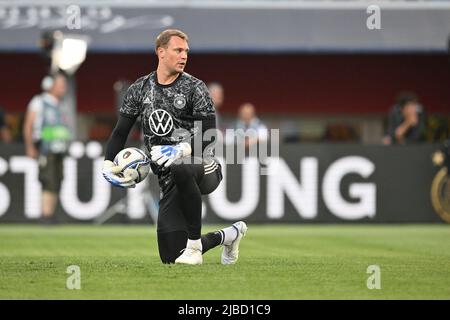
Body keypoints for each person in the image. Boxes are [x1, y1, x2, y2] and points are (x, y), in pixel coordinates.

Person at [102, 29, 247, 265]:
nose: (184, 56)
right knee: (170, 257)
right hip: (168, 180)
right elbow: (120, 132)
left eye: (186, 51)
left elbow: (210, 136)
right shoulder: (139, 89)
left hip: (203, 166)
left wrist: (182, 149)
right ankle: (229, 235)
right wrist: (108, 163)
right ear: (161, 52)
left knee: (182, 166)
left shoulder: (195, 88)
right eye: (178, 50)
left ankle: (193, 249)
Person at [23, 72, 71, 223]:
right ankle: (46, 215)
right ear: (51, 86)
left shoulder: (62, 104)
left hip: (60, 149)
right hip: (46, 148)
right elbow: (28, 125)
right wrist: (30, 146)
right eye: (61, 84)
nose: (64, 88)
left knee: (57, 181)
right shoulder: (39, 102)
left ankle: (50, 214)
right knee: (48, 181)